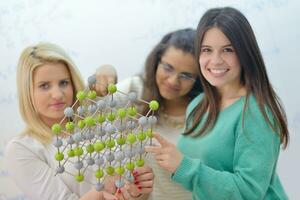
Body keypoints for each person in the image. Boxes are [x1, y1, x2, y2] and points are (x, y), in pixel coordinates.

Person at [146, 7, 289, 200]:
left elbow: (249, 192)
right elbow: (199, 183)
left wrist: (183, 166)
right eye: (207, 50)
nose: (215, 60)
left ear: (245, 52)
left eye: (228, 50)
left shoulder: (255, 112)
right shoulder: (197, 105)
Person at [4, 42, 153, 200]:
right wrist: (103, 190)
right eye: (44, 86)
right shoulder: (22, 148)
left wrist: (136, 191)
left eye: (63, 82)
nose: (57, 94)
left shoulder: (96, 119)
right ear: (28, 91)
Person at [96, 28, 203, 200]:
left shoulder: (204, 111)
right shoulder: (134, 91)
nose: (172, 81)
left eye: (186, 76)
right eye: (168, 68)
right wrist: (105, 70)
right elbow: (86, 111)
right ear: (157, 61)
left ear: (198, 78)